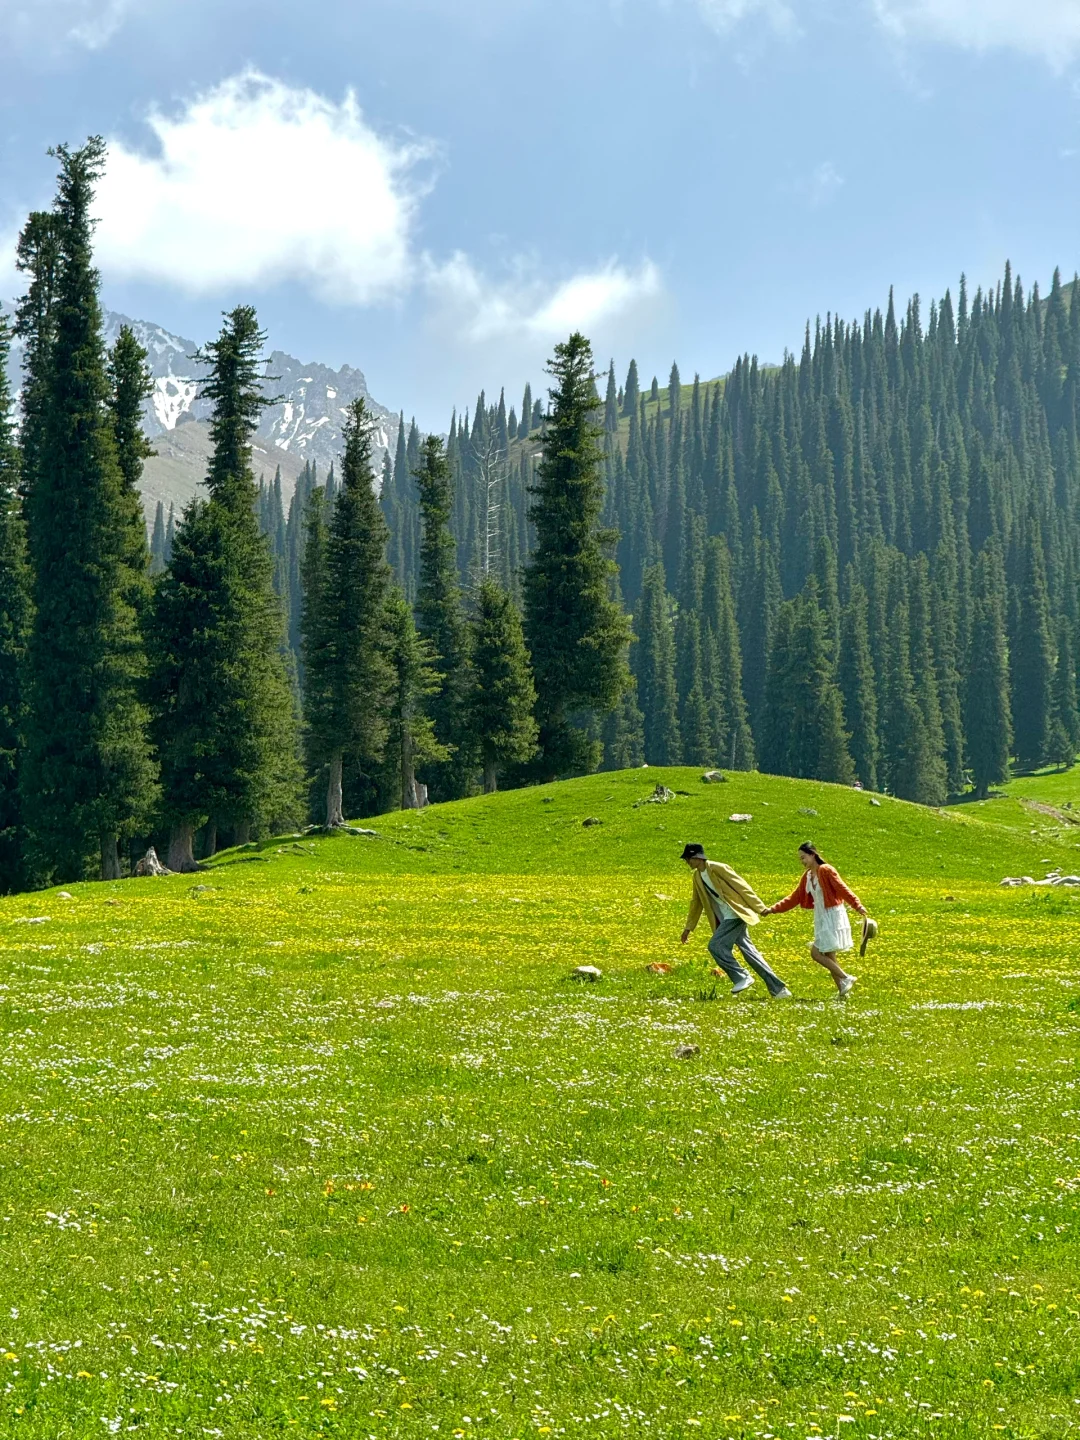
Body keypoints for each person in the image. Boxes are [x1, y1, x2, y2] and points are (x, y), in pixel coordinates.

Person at [679, 843, 793, 999]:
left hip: (736, 914)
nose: (687, 862)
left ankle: (742, 976)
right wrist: (688, 928)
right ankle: (779, 990)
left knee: (715, 946)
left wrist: (759, 907)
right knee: (750, 953)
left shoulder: (718, 868)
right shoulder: (697, 877)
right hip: (725, 917)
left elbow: (742, 886)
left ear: (697, 857)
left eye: (688, 858)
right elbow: (696, 902)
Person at [764, 843, 867, 998]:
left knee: (816, 953)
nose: (802, 861)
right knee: (829, 956)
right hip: (820, 916)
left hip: (832, 915)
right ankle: (842, 991)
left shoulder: (825, 870)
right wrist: (772, 909)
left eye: (803, 857)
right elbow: (795, 897)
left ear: (812, 854)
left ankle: (846, 978)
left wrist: (857, 905)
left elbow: (842, 888)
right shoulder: (807, 876)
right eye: (800, 859)